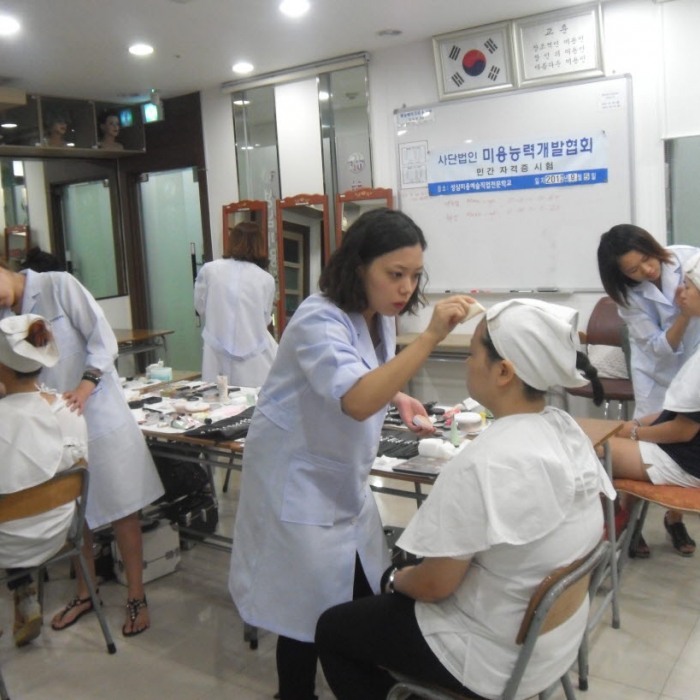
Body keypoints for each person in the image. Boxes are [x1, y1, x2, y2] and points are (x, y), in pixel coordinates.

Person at [229, 208, 477, 700]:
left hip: (338, 477)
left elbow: (363, 374)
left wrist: (397, 395)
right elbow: (357, 399)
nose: (406, 288)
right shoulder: (318, 317)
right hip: (297, 479)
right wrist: (431, 336)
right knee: (304, 609)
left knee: (351, 588)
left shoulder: (377, 314)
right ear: (359, 266)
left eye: (415, 276)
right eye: (396, 274)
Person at [315, 299, 615, 700]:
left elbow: (435, 585)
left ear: (504, 372)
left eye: (473, 353)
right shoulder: (566, 429)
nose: (468, 363)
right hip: (552, 644)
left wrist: (394, 579)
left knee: (333, 629)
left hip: (493, 658)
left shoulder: (484, 461)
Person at [0, 261, 164, 636]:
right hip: (56, 423)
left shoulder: (58, 286)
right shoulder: (5, 317)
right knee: (77, 513)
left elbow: (102, 340)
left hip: (98, 410)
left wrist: (85, 387)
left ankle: (136, 596)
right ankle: (86, 593)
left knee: (123, 509)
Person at [598, 224, 700, 555]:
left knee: (679, 443)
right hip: (658, 372)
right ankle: (630, 524)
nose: (647, 269)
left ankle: (674, 520)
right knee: (644, 450)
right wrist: (684, 315)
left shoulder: (689, 260)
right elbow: (659, 349)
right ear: (622, 276)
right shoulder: (629, 297)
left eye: (646, 258)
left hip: (694, 364)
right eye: (633, 270)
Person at [0, 314, 88, 648]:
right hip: (58, 533)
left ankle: (23, 592)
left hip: (7, 543)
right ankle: (24, 594)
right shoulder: (70, 409)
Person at [194, 221, 277, 386]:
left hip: (215, 350)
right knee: (251, 397)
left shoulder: (209, 270)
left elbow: (200, 307)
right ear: (260, 245)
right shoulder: (266, 279)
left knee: (216, 396)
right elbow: (265, 319)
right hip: (254, 355)